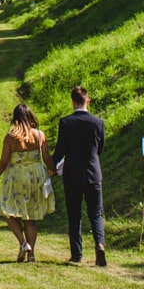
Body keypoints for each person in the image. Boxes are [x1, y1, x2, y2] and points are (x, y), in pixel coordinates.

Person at [0, 103, 56, 262]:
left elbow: (4, 162)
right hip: (36, 175)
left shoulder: (11, 137)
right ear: (30, 116)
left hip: (16, 176)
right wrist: (53, 171)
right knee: (30, 218)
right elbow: (46, 158)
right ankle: (31, 254)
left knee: (8, 210)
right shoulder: (39, 135)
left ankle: (23, 243)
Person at [51, 85, 107, 266]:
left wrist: (52, 166)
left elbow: (60, 150)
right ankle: (99, 244)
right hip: (93, 172)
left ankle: (77, 254)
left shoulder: (66, 122)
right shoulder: (99, 123)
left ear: (73, 102)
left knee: (74, 215)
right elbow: (101, 148)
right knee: (96, 214)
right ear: (87, 101)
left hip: (72, 174)